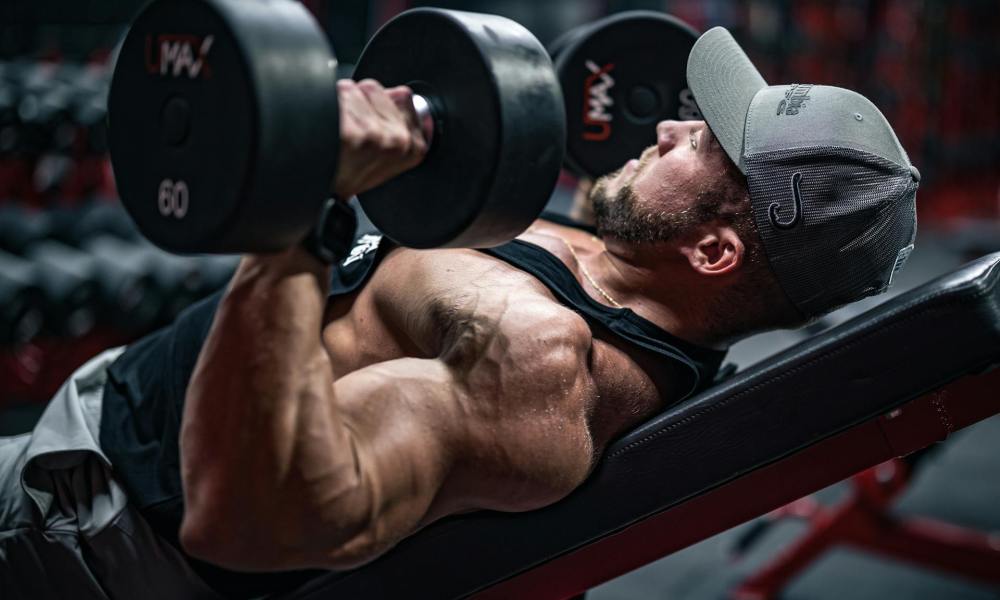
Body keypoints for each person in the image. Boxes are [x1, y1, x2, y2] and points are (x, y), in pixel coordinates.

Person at [0, 26, 919, 599]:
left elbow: (244, 520)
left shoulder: (531, 368)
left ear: (713, 253)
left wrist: (298, 222)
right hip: (105, 428)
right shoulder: (628, 261)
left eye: (706, 143)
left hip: (86, 519)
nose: (673, 124)